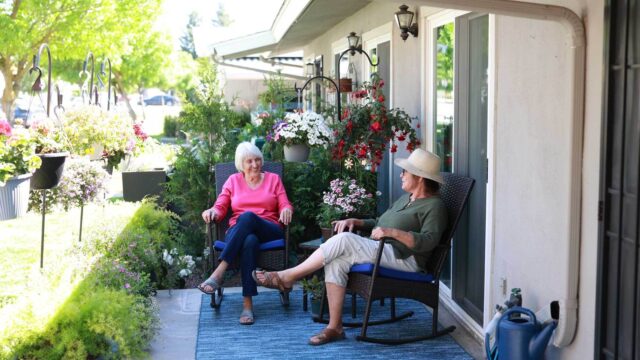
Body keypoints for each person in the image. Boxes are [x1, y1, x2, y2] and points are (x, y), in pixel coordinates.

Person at [253, 148, 448, 345]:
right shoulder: (406, 199)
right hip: (381, 249)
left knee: (344, 240)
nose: (401, 174)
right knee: (337, 260)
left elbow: (429, 241)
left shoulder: (434, 206)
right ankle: (335, 327)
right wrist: (357, 221)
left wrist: (391, 232)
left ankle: (288, 276)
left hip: (405, 259)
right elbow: (380, 221)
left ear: (420, 178)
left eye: (406, 171)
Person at [198, 142, 293, 325]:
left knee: (248, 216)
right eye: (249, 161)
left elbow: (284, 203)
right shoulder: (233, 181)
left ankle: (219, 272)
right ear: (241, 164)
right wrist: (211, 212)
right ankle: (247, 305)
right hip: (239, 232)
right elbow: (220, 206)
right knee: (249, 240)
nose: (255, 165)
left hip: (269, 228)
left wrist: (287, 209)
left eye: (257, 160)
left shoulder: (273, 179)